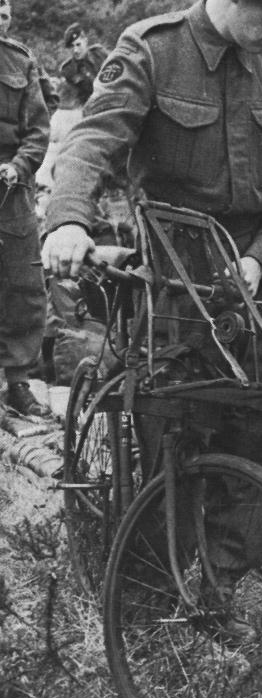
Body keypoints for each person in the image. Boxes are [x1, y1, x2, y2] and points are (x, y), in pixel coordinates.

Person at [42, 0, 262, 636]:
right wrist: (69, 221)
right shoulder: (150, 49)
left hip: (251, 282)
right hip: (172, 282)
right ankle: (145, 596)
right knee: (175, 430)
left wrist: (257, 260)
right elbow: (92, 142)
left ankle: (218, 584)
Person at [0, 0, 50, 418]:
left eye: (5, 8)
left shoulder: (19, 60)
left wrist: (18, 166)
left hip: (10, 191)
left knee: (24, 288)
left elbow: (37, 129)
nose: (1, 15)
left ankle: (17, 383)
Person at [0, 0, 57, 113]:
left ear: (10, 20)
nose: (0, 22)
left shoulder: (23, 57)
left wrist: (37, 127)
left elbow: (51, 98)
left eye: (4, 17)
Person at [58, 22, 108, 107]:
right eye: (71, 47)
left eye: (78, 45)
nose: (75, 51)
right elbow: (72, 99)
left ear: (85, 41)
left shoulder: (100, 54)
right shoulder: (68, 70)